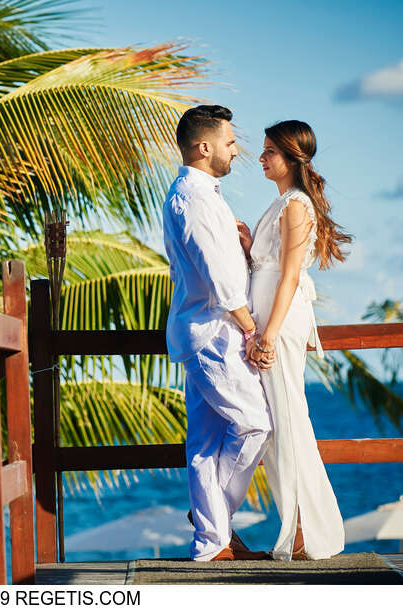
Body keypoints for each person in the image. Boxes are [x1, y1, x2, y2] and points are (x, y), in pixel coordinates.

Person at [162, 104, 274, 561]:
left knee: (206, 444)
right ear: (204, 147)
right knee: (254, 423)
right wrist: (253, 333)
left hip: (206, 330)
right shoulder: (194, 196)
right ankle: (215, 528)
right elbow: (219, 277)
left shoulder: (201, 193)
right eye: (229, 141)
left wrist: (244, 247)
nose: (236, 149)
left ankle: (211, 541)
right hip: (214, 333)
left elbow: (224, 264)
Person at [238, 120, 352, 560]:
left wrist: (266, 334)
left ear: (290, 157)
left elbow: (288, 275)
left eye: (270, 151)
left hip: (279, 323)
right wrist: (250, 246)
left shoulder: (297, 206)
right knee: (279, 424)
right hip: (269, 316)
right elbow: (269, 265)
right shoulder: (282, 202)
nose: (262, 157)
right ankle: (299, 527)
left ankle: (307, 531)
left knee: (289, 421)